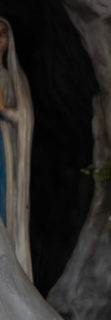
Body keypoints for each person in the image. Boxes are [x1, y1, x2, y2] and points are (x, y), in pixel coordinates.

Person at [0, 17, 33, 281]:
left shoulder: (12, 77)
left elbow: (25, 116)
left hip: (4, 152)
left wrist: (4, 111)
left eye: (2, 33)